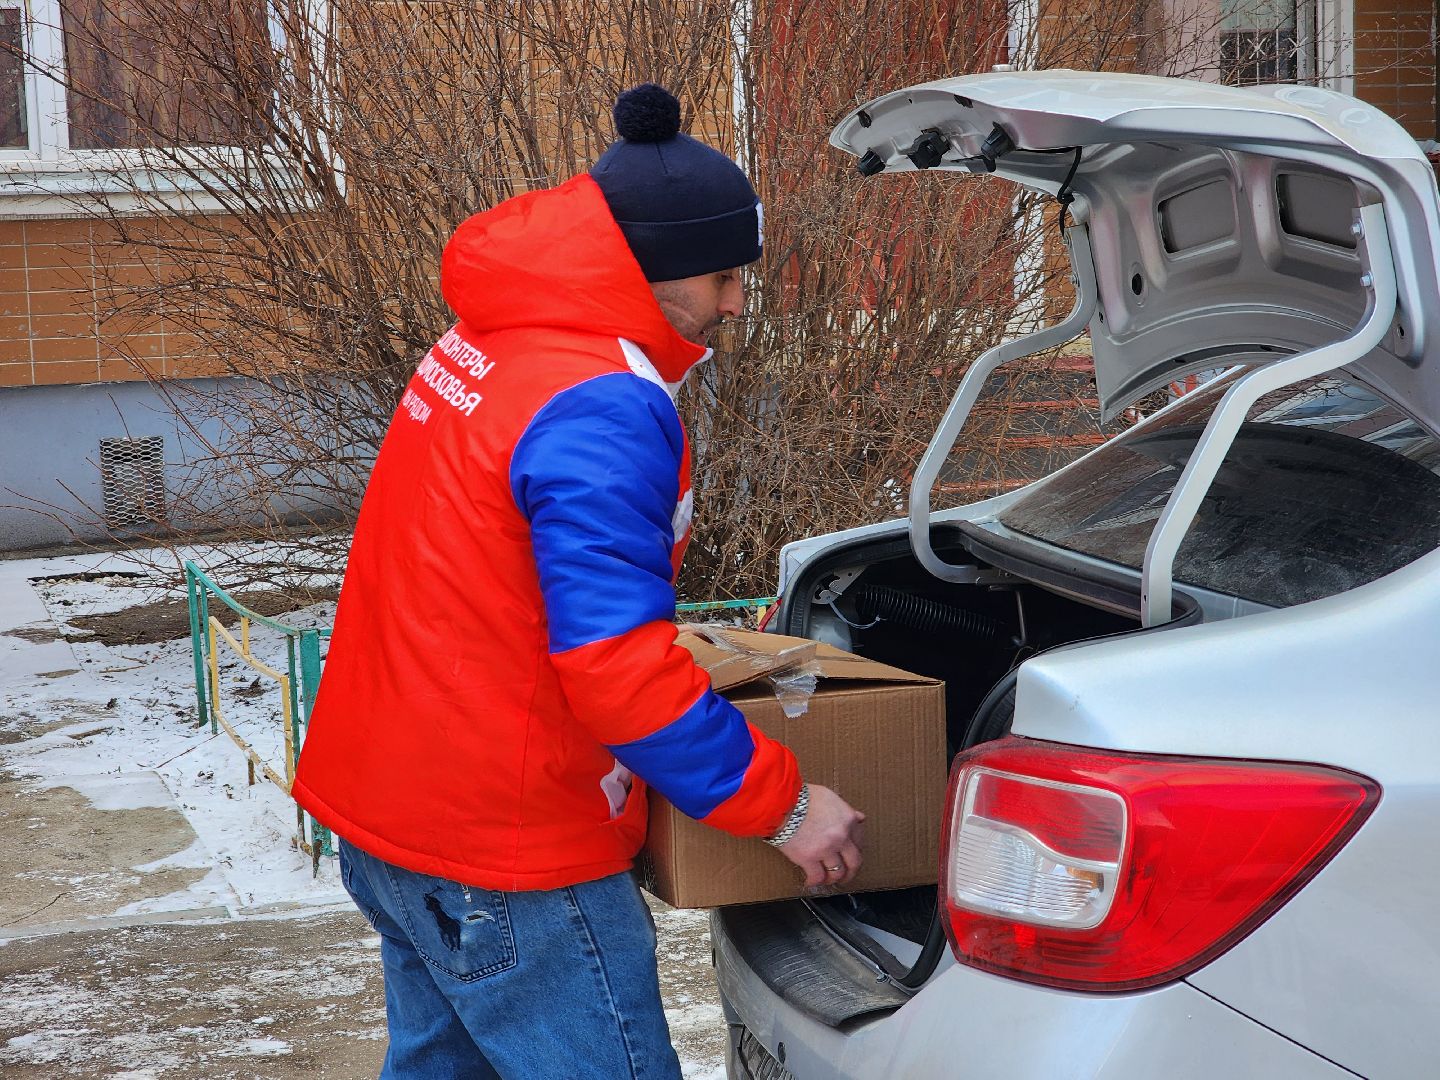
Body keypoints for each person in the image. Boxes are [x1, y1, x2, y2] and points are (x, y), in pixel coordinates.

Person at [292, 84, 866, 1079]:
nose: (735, 303)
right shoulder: (603, 404)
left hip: (393, 817)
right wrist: (783, 805)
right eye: (723, 275)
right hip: (506, 854)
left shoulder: (490, 341)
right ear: (650, 270)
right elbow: (613, 669)